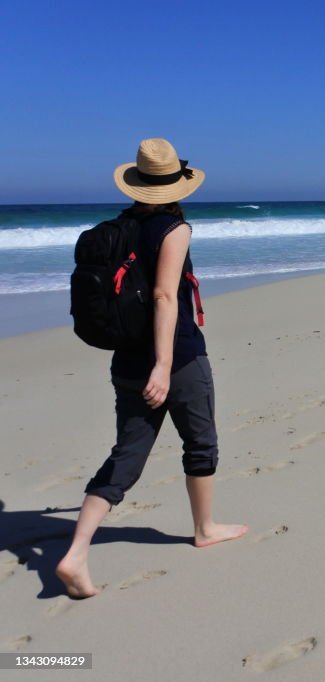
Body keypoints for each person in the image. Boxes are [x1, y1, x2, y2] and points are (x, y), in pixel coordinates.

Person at [57, 139, 247, 598]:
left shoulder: (121, 227)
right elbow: (165, 296)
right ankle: (205, 528)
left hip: (125, 360)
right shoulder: (173, 229)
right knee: (201, 443)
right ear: (178, 186)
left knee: (127, 453)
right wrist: (163, 365)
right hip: (177, 359)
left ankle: (77, 551)